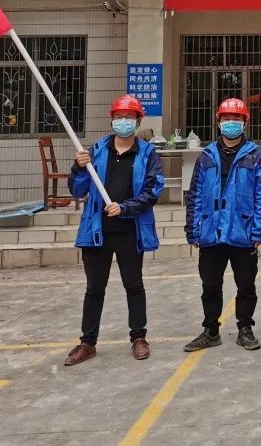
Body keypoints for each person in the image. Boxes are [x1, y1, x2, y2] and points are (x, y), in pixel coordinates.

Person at [63, 95, 164, 366]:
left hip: (130, 230)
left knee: (134, 285)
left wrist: (126, 207)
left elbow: (153, 190)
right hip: (98, 231)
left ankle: (139, 337)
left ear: (138, 121)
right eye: (119, 117)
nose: (123, 122)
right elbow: (77, 190)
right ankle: (88, 342)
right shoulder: (96, 151)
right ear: (112, 120)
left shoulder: (147, 153)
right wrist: (78, 168)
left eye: (129, 117)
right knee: (94, 288)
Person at [183, 98, 261, 353]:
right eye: (226, 118)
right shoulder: (206, 156)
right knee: (210, 285)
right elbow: (195, 194)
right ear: (218, 122)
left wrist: (259, 231)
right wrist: (193, 229)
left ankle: (245, 328)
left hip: (243, 232)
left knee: (246, 284)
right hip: (211, 232)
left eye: (236, 119)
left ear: (245, 122)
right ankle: (210, 330)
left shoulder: (256, 156)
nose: (231, 123)